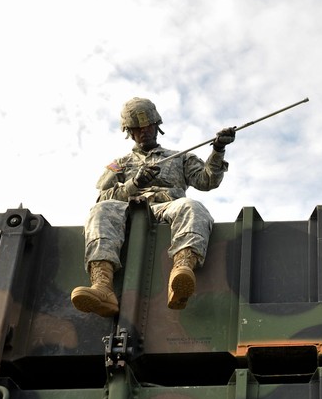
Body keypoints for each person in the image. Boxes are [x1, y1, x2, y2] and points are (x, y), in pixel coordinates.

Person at [70, 97, 235, 316]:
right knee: (100, 211)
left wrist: (218, 150)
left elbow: (207, 181)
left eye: (148, 126)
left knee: (192, 206)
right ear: (129, 132)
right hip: (127, 211)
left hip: (167, 207)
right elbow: (103, 197)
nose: (143, 131)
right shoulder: (120, 164)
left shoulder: (179, 158)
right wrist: (134, 184)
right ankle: (103, 288)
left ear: (157, 125)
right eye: (137, 128)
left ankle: (182, 271)